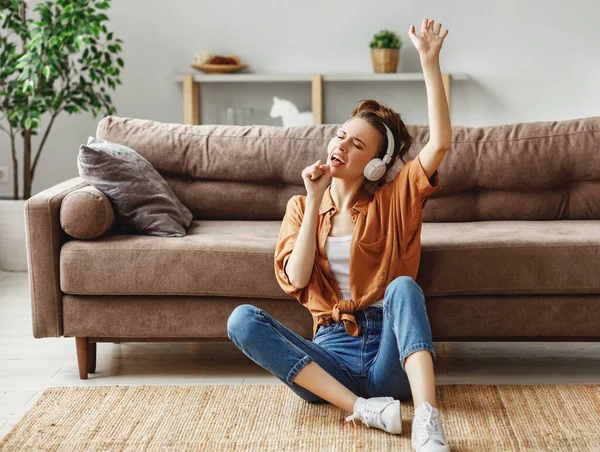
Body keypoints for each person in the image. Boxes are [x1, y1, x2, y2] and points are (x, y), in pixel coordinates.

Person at [227, 18, 452, 452]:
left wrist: (429, 60)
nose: (341, 146)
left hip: (388, 356)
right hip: (327, 362)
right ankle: (362, 409)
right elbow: (296, 277)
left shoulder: (394, 199)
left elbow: (439, 144)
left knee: (404, 287)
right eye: (340, 136)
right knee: (241, 320)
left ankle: (426, 419)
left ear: (376, 166)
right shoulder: (301, 205)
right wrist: (313, 200)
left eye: (356, 146)